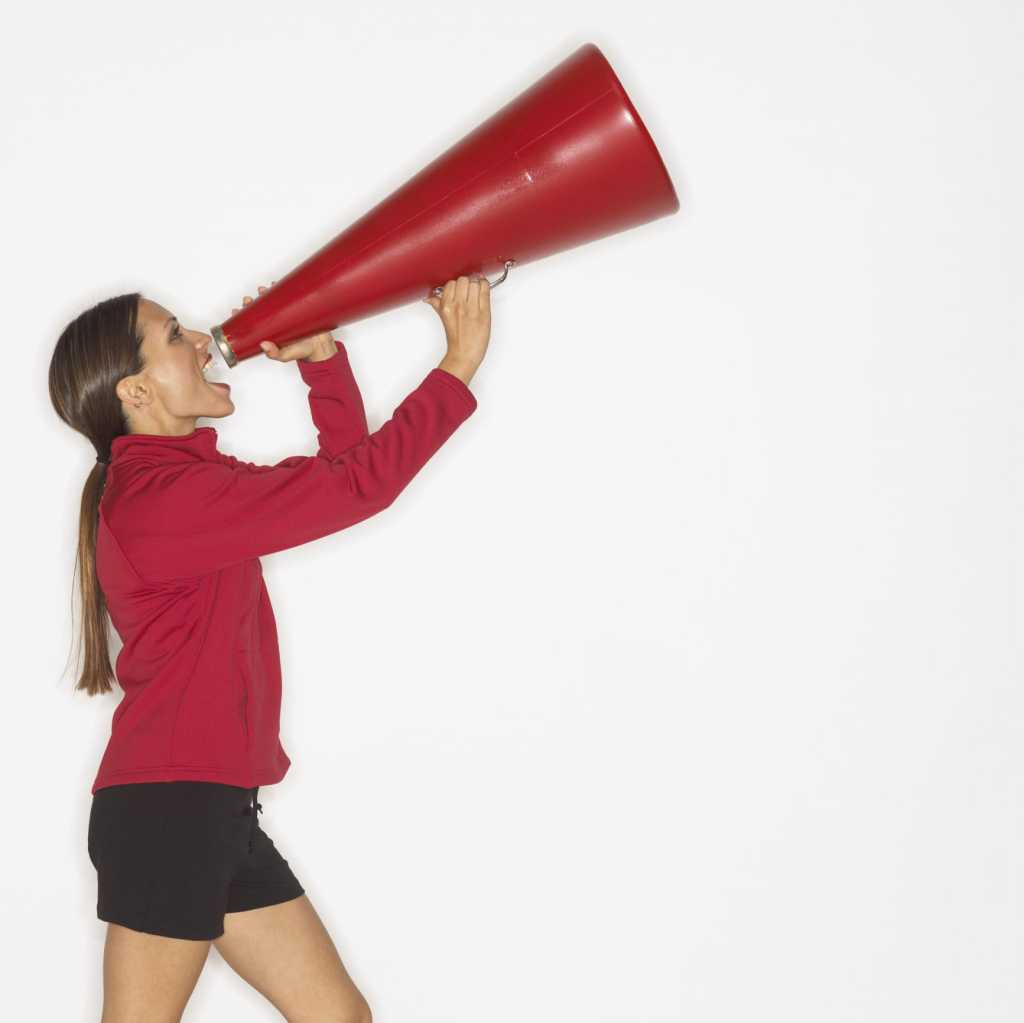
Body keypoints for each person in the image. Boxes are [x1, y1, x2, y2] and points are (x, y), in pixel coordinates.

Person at [48, 274, 491, 1021]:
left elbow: (342, 478)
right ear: (137, 392)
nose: (203, 342)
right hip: (169, 810)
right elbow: (358, 488)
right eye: (174, 338)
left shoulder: (190, 483)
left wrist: (323, 360)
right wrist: (458, 364)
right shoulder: (164, 503)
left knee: (338, 1017)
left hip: (212, 806)